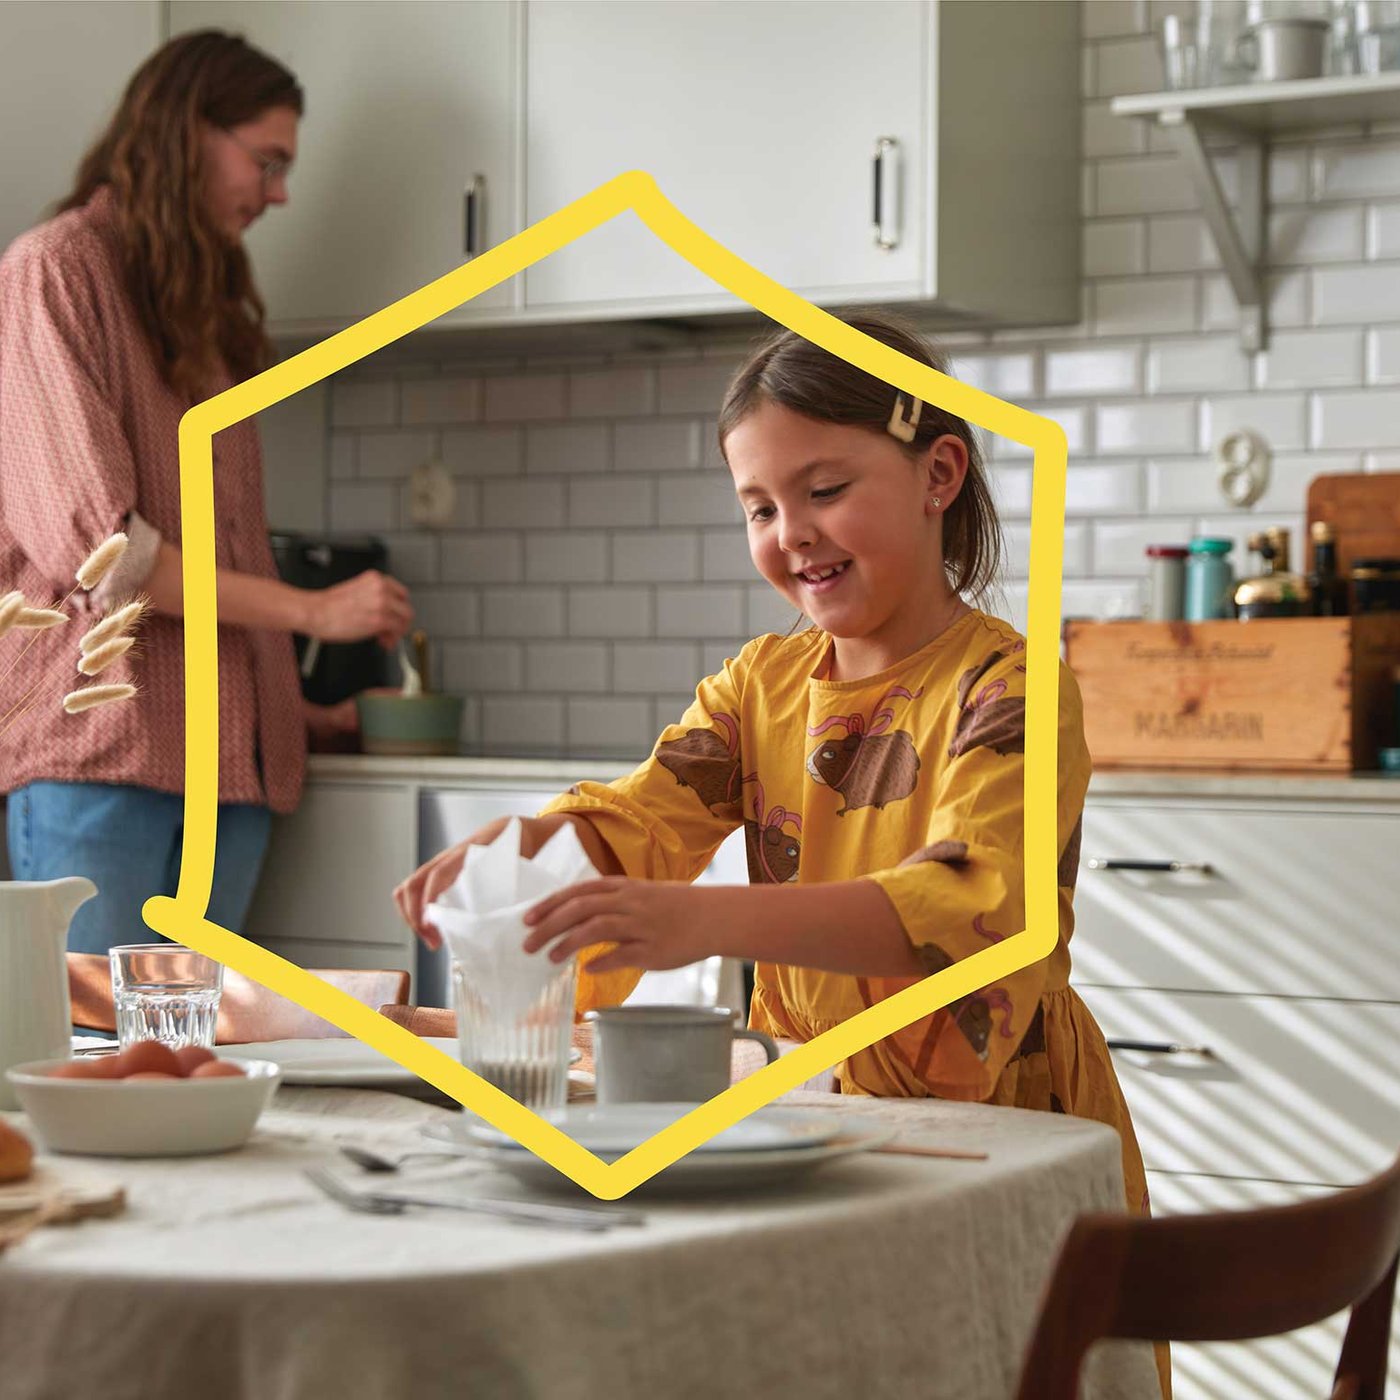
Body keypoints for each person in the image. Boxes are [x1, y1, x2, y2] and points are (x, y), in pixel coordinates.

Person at [394, 309, 1168, 1396]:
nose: (789, 530)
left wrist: (699, 919)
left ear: (938, 471)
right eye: (758, 505)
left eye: (822, 488)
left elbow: (968, 902)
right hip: (814, 1113)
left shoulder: (1009, 688)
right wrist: (532, 835)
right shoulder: (761, 684)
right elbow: (648, 811)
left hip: (1001, 1121)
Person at [0, 31, 412, 954]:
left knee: (187, 1072)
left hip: (231, 776)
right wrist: (316, 610)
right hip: (101, 763)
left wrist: (296, 712)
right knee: (94, 1072)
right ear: (186, 132)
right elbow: (108, 559)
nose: (279, 194)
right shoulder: (55, 273)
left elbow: (210, 570)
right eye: (266, 162)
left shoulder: (205, 320)